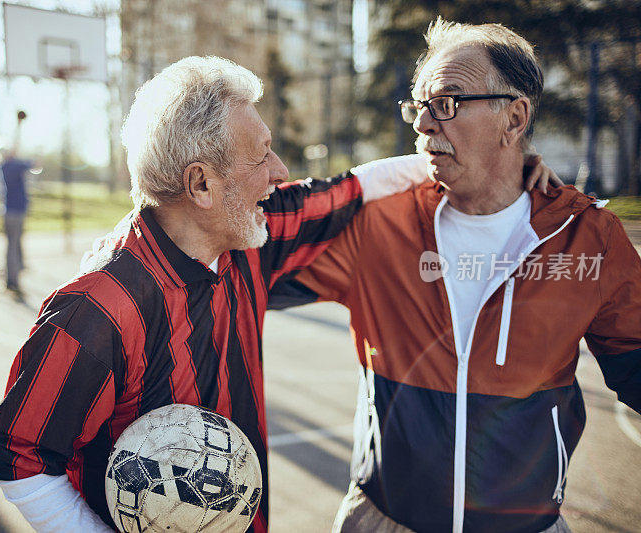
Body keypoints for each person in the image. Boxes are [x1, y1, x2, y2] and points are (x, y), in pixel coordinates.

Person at [0, 56, 448, 533]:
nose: (280, 170)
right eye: (262, 154)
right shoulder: (99, 307)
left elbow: (351, 189)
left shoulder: (245, 239)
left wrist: (496, 166)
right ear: (202, 184)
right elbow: (19, 454)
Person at [271, 19, 641, 533]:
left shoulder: (586, 239)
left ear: (514, 118)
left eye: (445, 103)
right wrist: (367, 180)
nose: (422, 124)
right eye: (417, 107)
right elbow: (248, 256)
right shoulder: (377, 224)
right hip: (385, 518)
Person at [0, 148, 33, 292]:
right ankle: (12, 280)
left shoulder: (9, 166)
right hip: (13, 213)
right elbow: (28, 163)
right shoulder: (9, 166)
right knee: (12, 246)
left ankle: (18, 269)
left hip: (15, 212)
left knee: (16, 243)